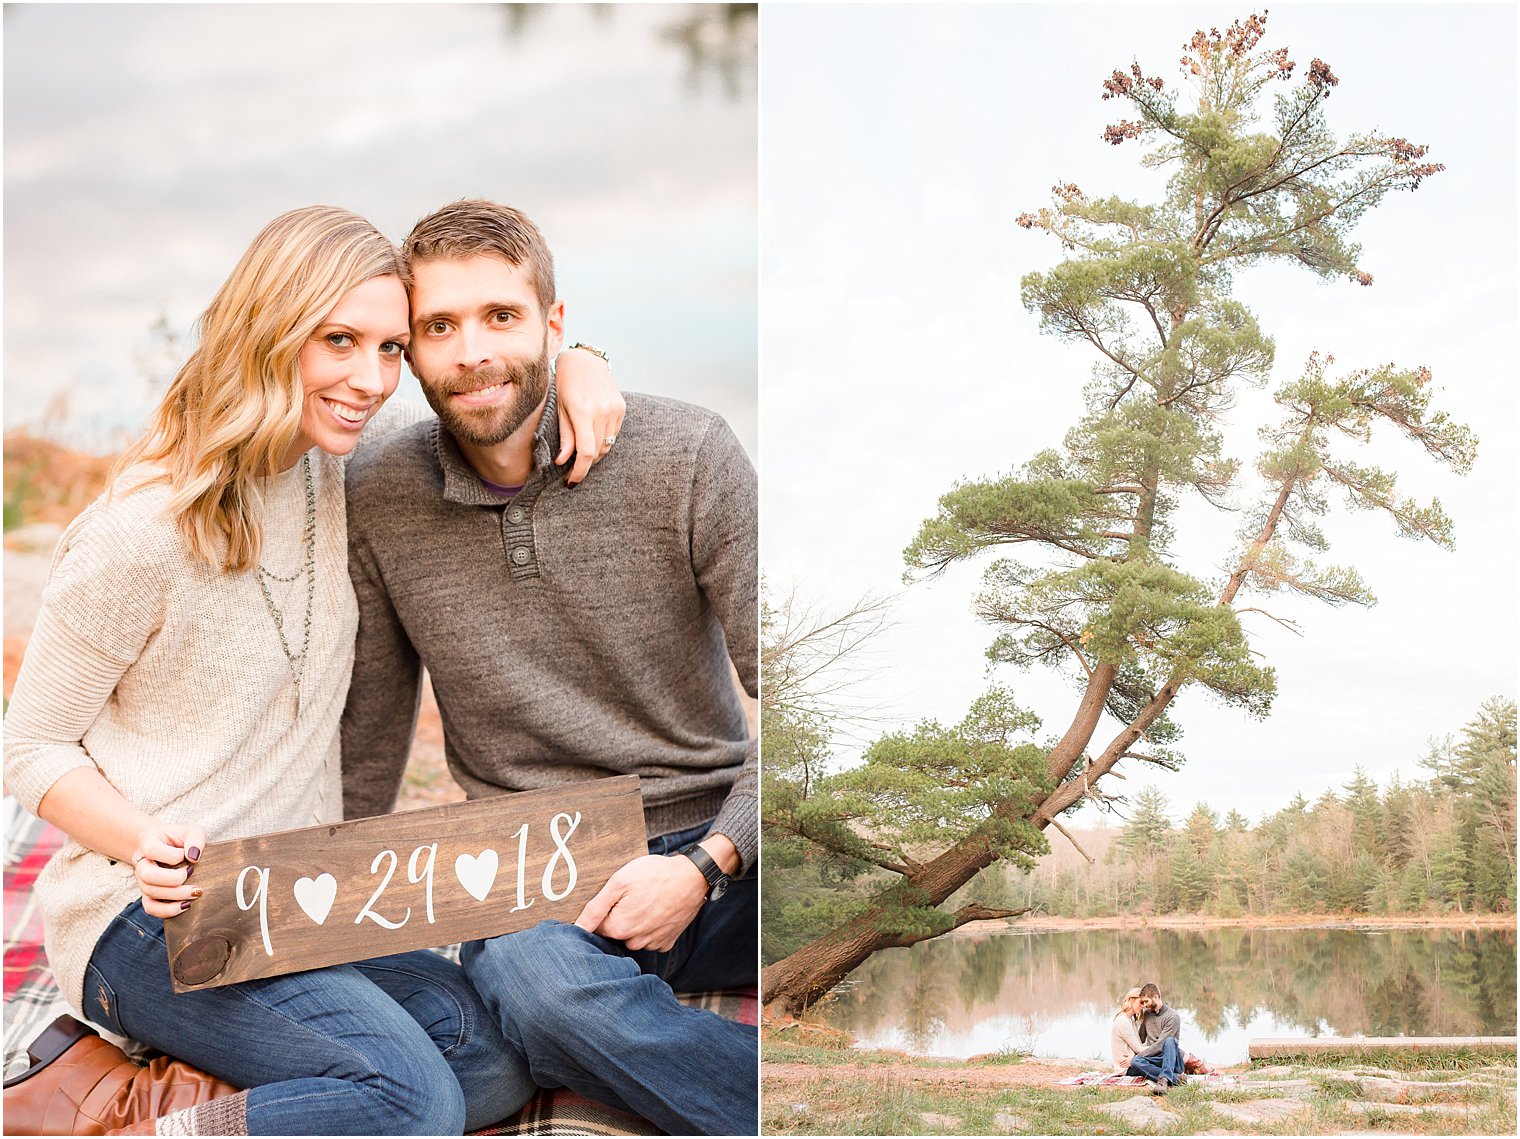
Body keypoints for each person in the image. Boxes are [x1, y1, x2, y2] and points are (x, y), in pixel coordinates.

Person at [2, 204, 623, 1136]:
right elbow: (30, 744)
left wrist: (584, 360)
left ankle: (165, 1095)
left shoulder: (334, 470)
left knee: (489, 1063)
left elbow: (495, 375)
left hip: (296, 894)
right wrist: (139, 841)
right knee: (412, 1104)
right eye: (339, 341)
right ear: (270, 329)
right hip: (153, 913)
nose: (370, 380)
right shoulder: (139, 531)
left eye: (389, 347)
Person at [340, 198, 758, 1136]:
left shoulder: (688, 453)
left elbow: (807, 698)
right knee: (539, 994)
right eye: (439, 326)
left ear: (555, 325)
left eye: (501, 316)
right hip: (536, 866)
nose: (471, 351)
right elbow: (366, 745)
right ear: (408, 349)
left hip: (723, 846)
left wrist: (706, 860)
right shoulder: (376, 490)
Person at [1126, 980, 1186, 1090]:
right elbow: (1140, 1038)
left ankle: (1164, 1080)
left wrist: (1139, 1056)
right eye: (1142, 1003)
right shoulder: (1147, 1014)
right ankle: (1174, 1078)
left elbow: (1160, 1045)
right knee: (1135, 1063)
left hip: (1170, 1060)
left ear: (1155, 997)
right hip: (1154, 1060)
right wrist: (1133, 1018)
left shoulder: (1173, 1017)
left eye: (1146, 1001)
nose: (1144, 1005)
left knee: (1169, 1041)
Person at [1110, 987, 1146, 1074]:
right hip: (1126, 1068)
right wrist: (1159, 1048)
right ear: (1131, 999)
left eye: (1144, 1003)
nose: (1143, 1006)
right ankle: (1177, 1077)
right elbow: (1139, 1049)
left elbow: (1138, 1048)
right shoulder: (1123, 1021)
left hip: (1133, 1062)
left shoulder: (1131, 1019)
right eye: (1141, 1002)